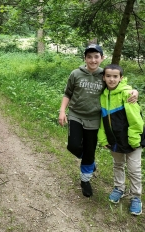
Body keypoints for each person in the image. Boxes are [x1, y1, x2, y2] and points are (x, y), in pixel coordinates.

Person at [58, 44, 138, 198]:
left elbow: (120, 86)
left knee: (89, 150)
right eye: (89, 57)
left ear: (102, 58)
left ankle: (85, 180)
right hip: (76, 114)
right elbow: (67, 93)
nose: (93, 60)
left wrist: (135, 91)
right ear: (85, 58)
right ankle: (90, 163)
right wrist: (62, 111)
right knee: (73, 145)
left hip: (95, 119)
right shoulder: (76, 74)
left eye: (96, 56)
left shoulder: (105, 74)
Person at [98, 64, 143, 215]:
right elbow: (102, 120)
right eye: (108, 76)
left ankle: (136, 197)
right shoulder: (103, 96)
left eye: (115, 76)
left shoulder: (127, 94)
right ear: (104, 77)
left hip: (132, 140)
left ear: (121, 78)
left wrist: (134, 139)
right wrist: (103, 139)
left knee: (134, 170)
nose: (111, 79)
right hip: (114, 140)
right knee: (118, 164)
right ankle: (119, 188)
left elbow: (136, 119)